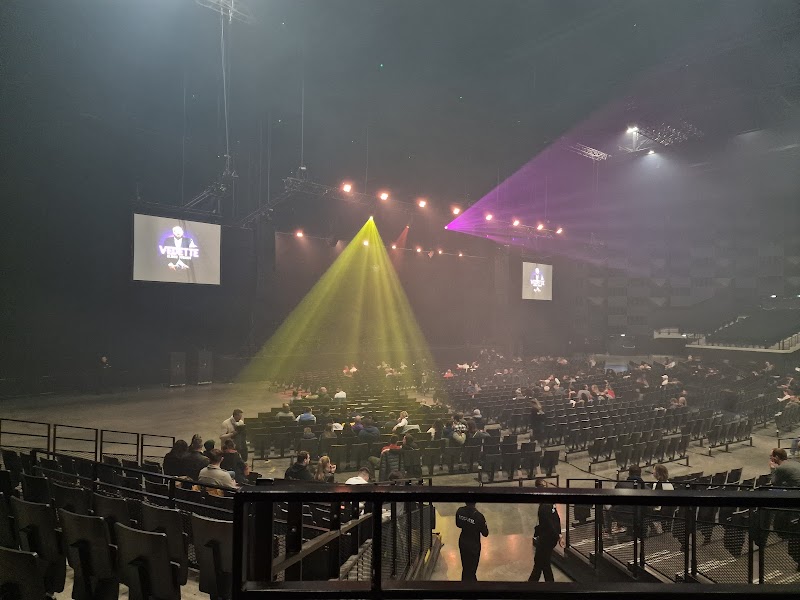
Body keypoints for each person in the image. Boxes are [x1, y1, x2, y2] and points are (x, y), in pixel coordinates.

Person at [529, 479, 563, 582]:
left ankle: (532, 585)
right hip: (551, 538)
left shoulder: (544, 507)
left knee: (540, 561)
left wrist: (558, 535)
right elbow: (556, 519)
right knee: (543, 562)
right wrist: (559, 534)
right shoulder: (551, 503)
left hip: (546, 538)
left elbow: (549, 523)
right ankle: (545, 583)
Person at [455, 502, 489, 581]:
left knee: (465, 567)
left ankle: (465, 584)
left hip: (463, 542)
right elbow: (485, 533)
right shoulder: (479, 516)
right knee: (472, 570)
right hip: (474, 545)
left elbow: (458, 524)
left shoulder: (460, 511)